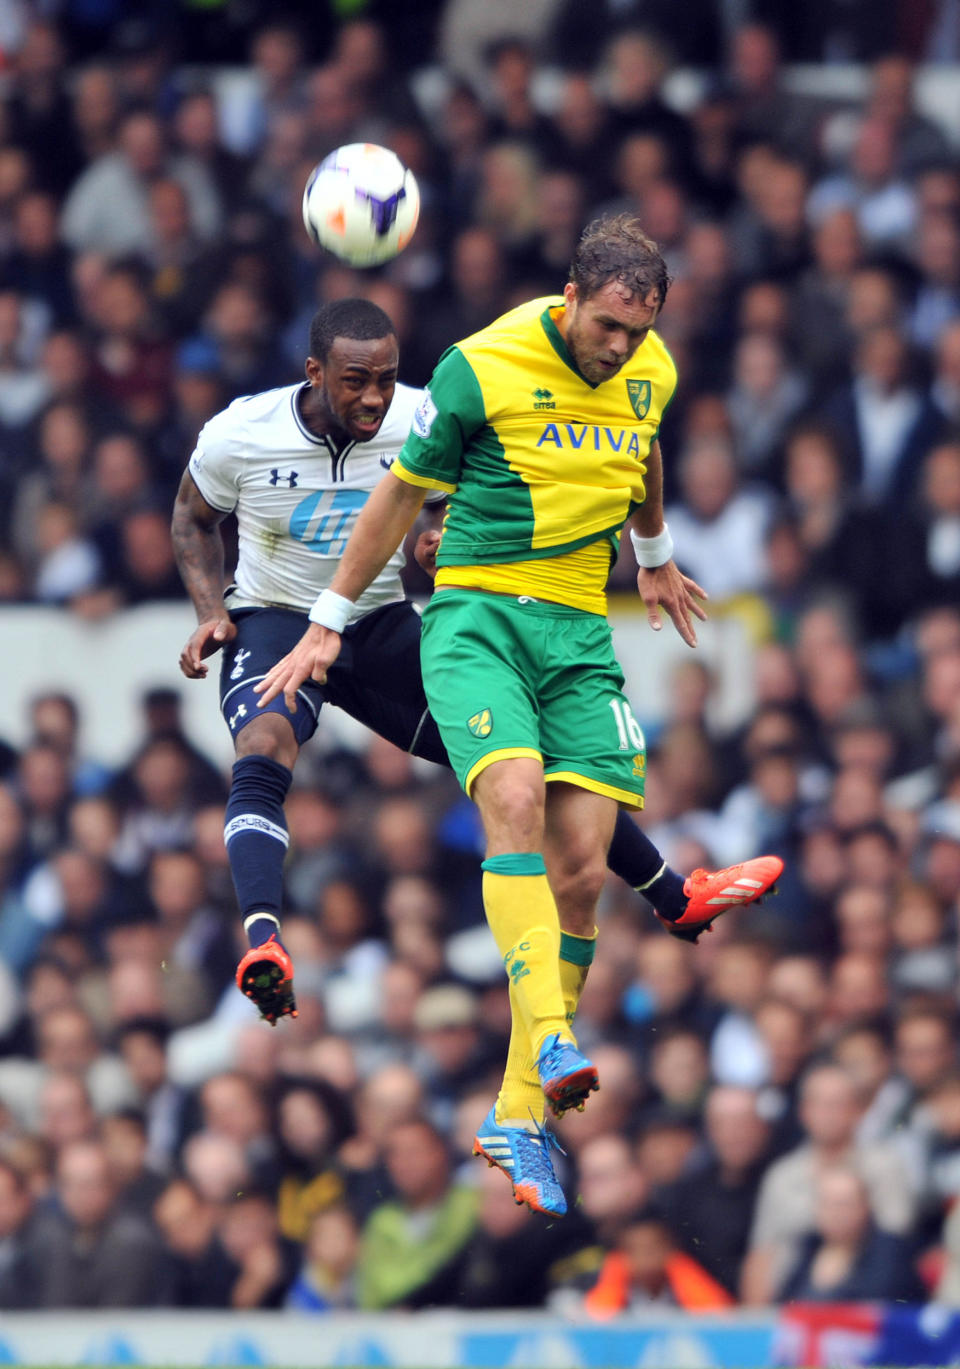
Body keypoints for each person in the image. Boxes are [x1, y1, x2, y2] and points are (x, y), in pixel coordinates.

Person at [254, 224, 782, 1217]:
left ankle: (515, 1113)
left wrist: (655, 547)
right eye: (611, 325)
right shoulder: (480, 367)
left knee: (583, 868)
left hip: (581, 632)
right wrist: (328, 619)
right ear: (570, 297)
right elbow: (398, 497)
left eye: (643, 329)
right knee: (515, 799)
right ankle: (549, 1035)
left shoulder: (651, 369)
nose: (624, 347)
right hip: (479, 615)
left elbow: (643, 447)